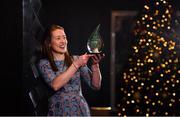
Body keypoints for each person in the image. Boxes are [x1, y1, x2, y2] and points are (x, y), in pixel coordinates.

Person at [38, 24, 105, 116]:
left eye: (64, 37)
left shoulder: (75, 59)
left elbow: (96, 85)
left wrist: (95, 65)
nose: (63, 41)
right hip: (59, 112)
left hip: (80, 111)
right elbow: (55, 85)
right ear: (49, 43)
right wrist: (77, 64)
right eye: (58, 38)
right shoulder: (44, 63)